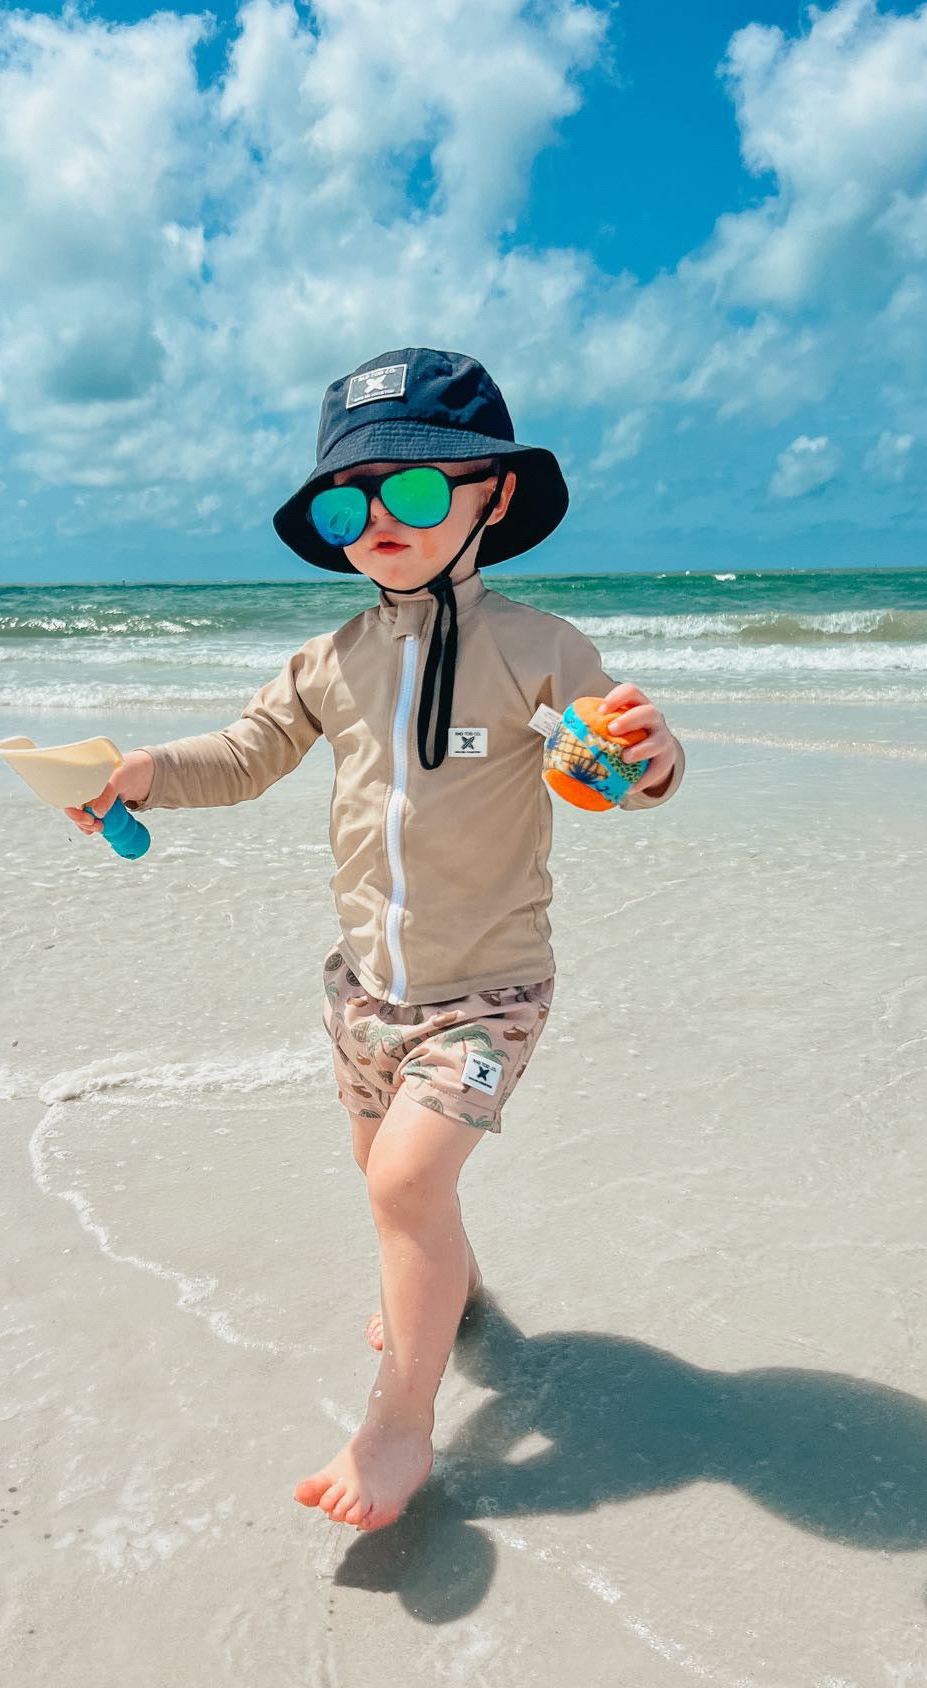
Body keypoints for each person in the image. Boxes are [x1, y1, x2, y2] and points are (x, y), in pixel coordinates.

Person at [67, 348, 685, 1533]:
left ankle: (400, 1421)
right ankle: (451, 1290)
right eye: (348, 503)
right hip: (363, 994)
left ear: (496, 495)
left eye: (412, 488)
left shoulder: (539, 647)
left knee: (405, 1181)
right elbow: (244, 754)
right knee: (390, 1183)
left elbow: (614, 753)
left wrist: (650, 758)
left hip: (488, 994)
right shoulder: (331, 660)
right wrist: (138, 769)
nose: (378, 519)